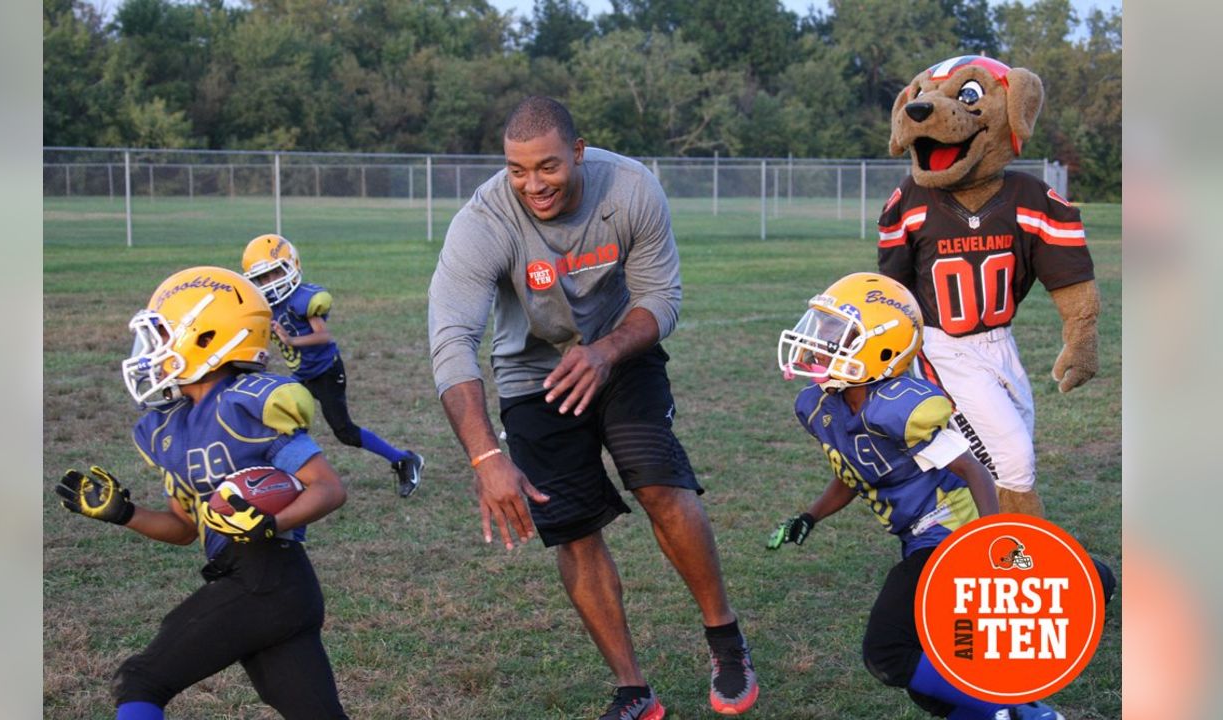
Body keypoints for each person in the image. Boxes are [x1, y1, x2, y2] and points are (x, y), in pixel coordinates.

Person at [427, 96, 758, 719]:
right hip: (532, 376)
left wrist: (605, 353)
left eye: (547, 167)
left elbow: (662, 298)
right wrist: (484, 457)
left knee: (659, 483)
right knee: (573, 530)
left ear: (577, 153)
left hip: (622, 355)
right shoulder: (483, 221)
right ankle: (635, 692)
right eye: (517, 170)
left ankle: (725, 637)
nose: (532, 184)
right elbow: (452, 342)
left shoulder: (631, 189)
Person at [765, 271, 1069, 720]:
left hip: (950, 534)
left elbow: (974, 471)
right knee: (929, 684)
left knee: (890, 654)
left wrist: (986, 541)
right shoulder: (823, 404)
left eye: (835, 332)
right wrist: (810, 516)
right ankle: (1007, 710)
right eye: (823, 328)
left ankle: (1023, 709)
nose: (818, 341)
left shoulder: (903, 407)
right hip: (918, 540)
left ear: (880, 348)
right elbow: (854, 472)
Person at [54, 266, 350, 720]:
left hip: (265, 577)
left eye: (162, 337)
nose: (150, 353)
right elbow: (185, 527)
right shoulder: (173, 424)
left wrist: (271, 523)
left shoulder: (245, 405)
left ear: (208, 338)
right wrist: (125, 513)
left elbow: (328, 489)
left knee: (142, 679)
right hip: (275, 589)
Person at [879, 55, 1101, 518]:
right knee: (1014, 461)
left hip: (1001, 345)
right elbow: (890, 290)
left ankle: (961, 533)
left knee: (1007, 451)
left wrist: (1081, 336)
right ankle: (1022, 554)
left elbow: (1069, 274)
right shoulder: (911, 199)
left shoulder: (1030, 198)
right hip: (943, 348)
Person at [242, 233, 424, 498]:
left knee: (344, 431)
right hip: (302, 375)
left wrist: (291, 339)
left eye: (274, 274)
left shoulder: (303, 299)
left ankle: (404, 459)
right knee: (283, 423)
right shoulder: (267, 305)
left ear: (291, 266)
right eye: (262, 278)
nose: (269, 283)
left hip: (326, 372)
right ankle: (285, 478)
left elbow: (324, 335)